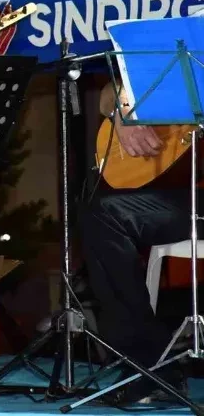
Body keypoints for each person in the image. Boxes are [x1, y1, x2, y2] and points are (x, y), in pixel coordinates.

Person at [80, 81, 190, 403]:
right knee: (101, 214)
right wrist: (122, 111)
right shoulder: (183, 56)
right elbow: (110, 90)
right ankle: (151, 363)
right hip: (187, 193)